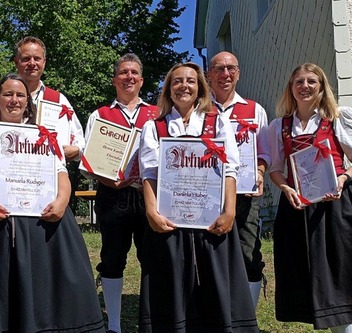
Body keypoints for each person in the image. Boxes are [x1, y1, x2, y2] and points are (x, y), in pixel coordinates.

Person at [0, 73, 105, 332]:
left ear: (28, 101)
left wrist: (61, 201)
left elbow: (60, 173)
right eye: (8, 94)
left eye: (20, 95)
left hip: (39, 215)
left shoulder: (44, 134)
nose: (14, 100)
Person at [138, 62, 258, 332]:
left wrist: (229, 212)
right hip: (169, 219)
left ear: (200, 88)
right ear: (168, 89)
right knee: (171, 288)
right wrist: (151, 212)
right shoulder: (154, 126)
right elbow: (149, 174)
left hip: (211, 219)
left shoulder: (218, 122)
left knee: (216, 285)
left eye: (190, 81)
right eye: (177, 81)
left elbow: (230, 168)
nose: (184, 86)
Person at [268, 63, 352, 333]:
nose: (305, 86)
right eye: (299, 82)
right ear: (291, 89)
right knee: (309, 277)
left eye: (311, 81)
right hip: (297, 209)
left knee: (339, 277)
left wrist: (342, 178)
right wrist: (286, 188)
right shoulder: (279, 126)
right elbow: (276, 169)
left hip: (335, 206)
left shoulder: (337, 119)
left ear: (321, 86)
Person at [82, 53, 158, 333]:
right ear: (115, 80)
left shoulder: (157, 113)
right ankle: (114, 324)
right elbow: (89, 160)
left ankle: (149, 323)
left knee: (151, 257)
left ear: (142, 80)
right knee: (112, 257)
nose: (129, 77)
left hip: (148, 194)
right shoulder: (100, 115)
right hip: (112, 195)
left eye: (134, 73)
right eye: (124, 73)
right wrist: (108, 179)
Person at [207, 51, 269, 308]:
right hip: (208, 195)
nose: (225, 74)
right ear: (209, 74)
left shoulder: (255, 110)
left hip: (244, 194)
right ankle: (214, 310)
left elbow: (264, 152)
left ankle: (248, 317)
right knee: (210, 254)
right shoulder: (199, 109)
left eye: (231, 68)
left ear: (238, 73)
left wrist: (260, 172)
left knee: (248, 252)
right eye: (219, 69)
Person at [13, 36, 85, 162]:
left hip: (51, 175)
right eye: (26, 59)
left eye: (37, 58)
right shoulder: (4, 96)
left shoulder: (58, 100)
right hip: (12, 171)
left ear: (44, 62)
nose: (32, 63)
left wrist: (76, 150)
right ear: (16, 62)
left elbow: (79, 140)